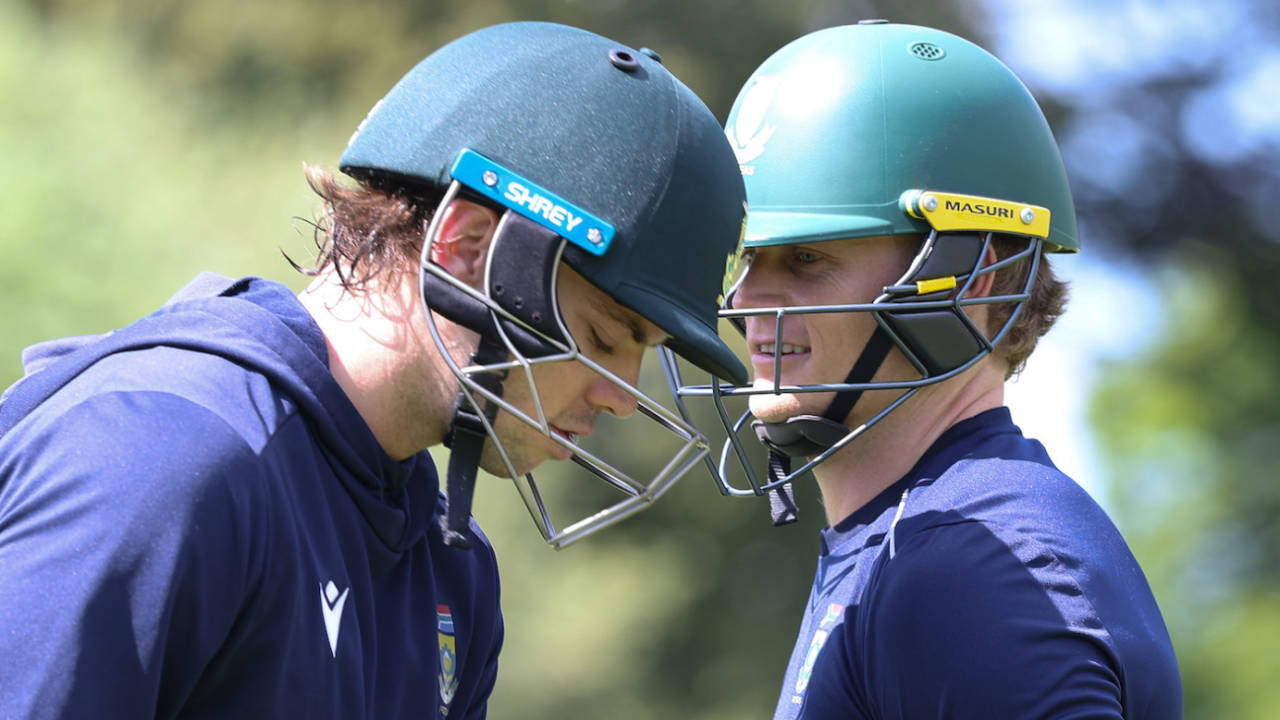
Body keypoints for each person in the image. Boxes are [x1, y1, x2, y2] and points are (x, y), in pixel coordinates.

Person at [0, 21, 747, 719]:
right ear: (464, 250)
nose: (622, 399)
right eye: (607, 335)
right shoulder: (160, 463)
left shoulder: (453, 574)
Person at [671, 21, 1182, 718]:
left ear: (971, 279)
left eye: (807, 258)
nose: (744, 298)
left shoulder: (967, 568)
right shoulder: (915, 539)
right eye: (746, 258)